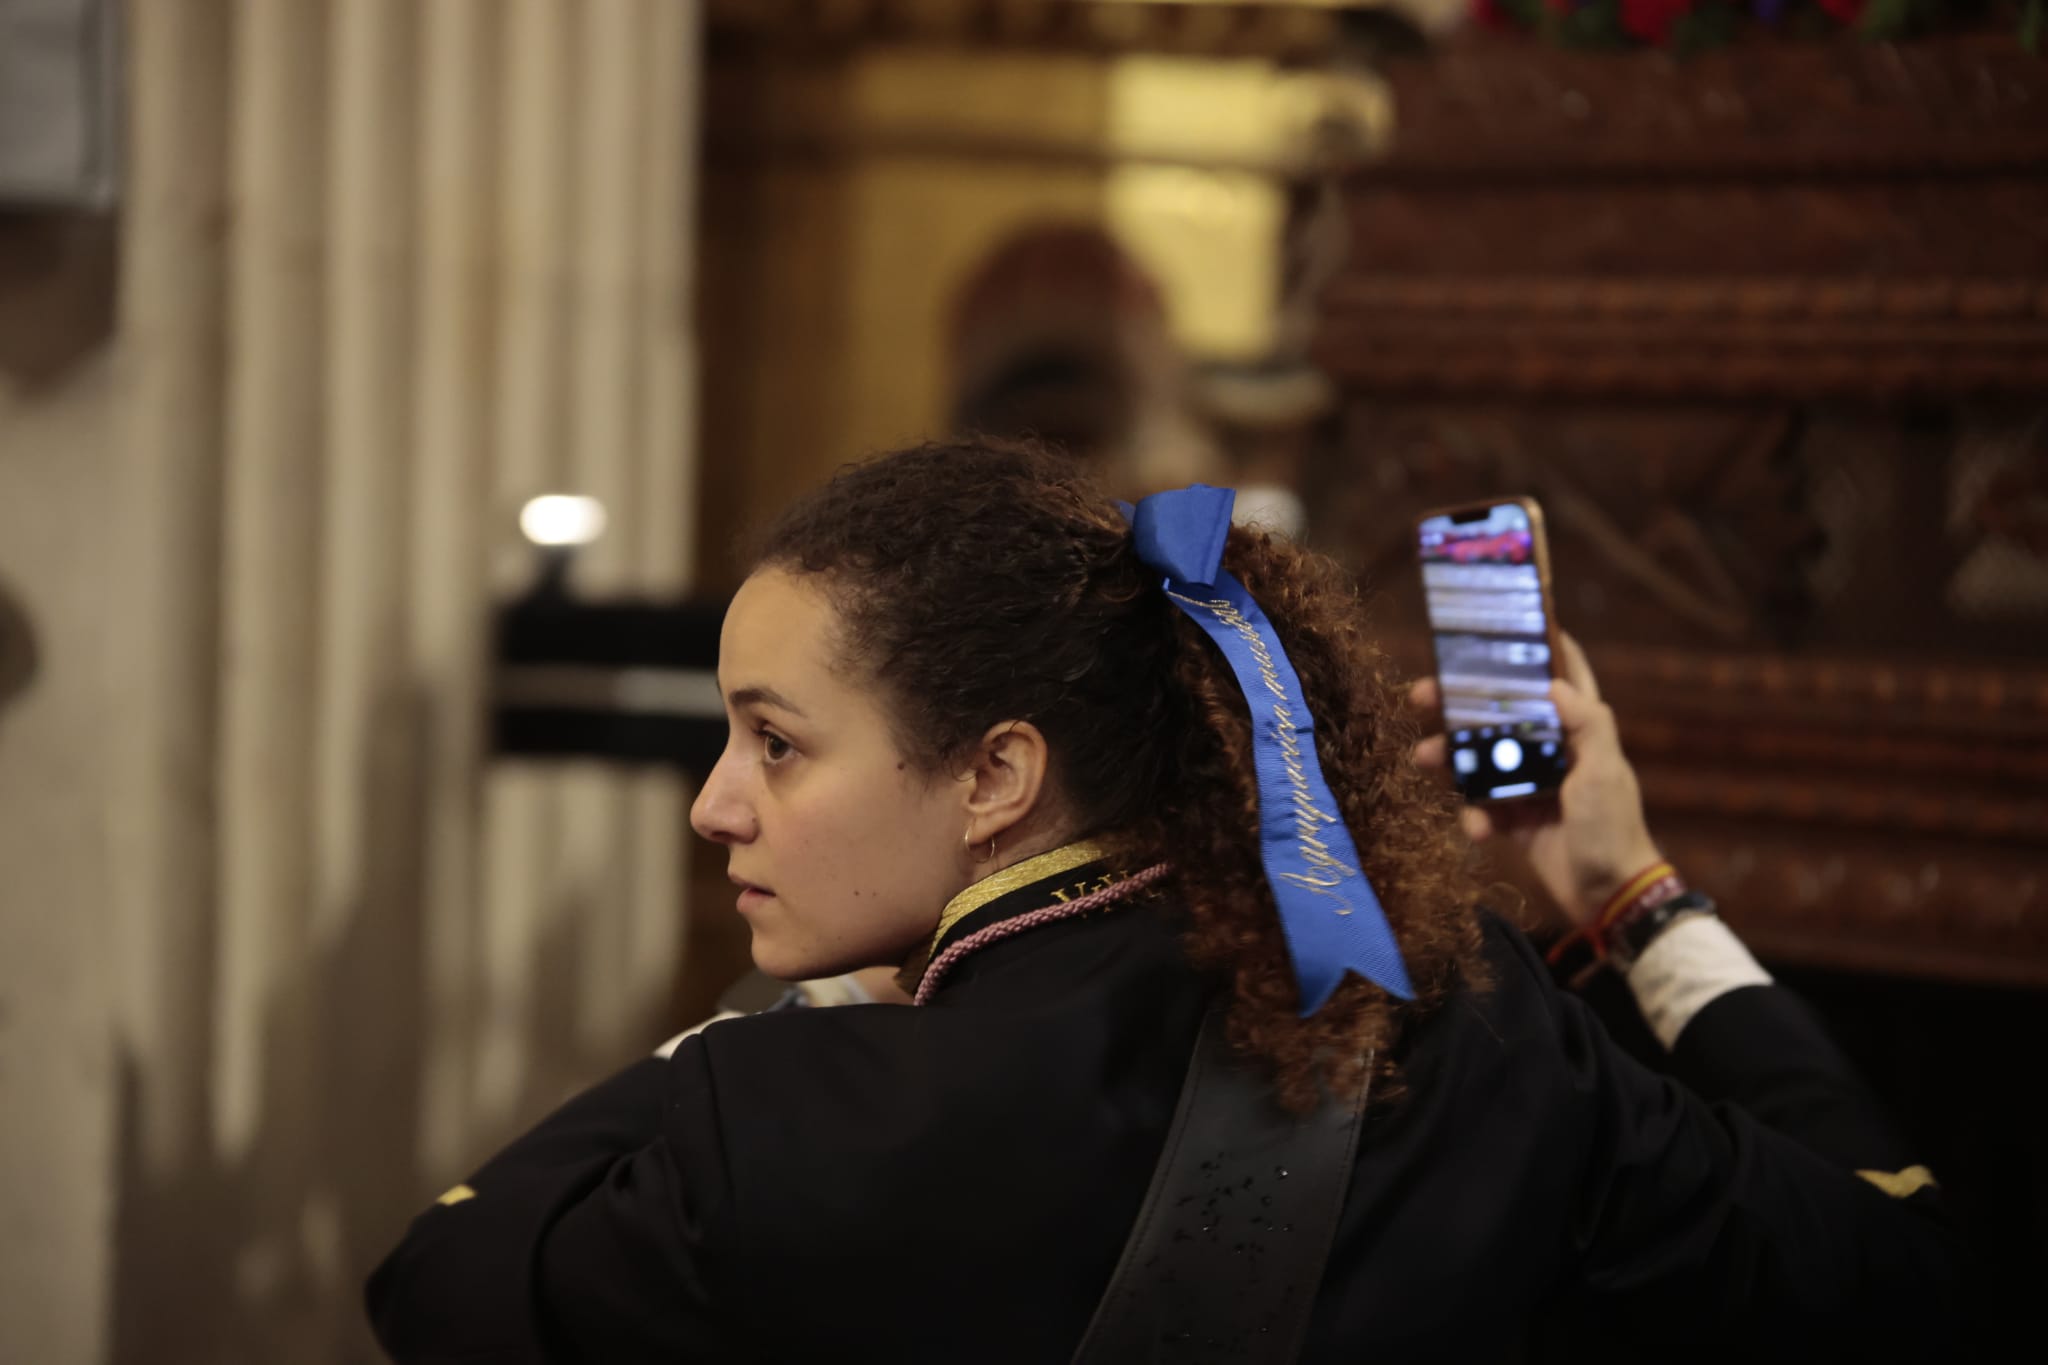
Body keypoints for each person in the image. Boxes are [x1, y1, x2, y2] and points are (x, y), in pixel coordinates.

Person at [366, 441, 1960, 1363]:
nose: (715, 801)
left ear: (996, 775)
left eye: (774, 741)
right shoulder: (1476, 1025)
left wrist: (820, 1002)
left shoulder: (770, 1116)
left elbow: (437, 1278)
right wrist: (1626, 890)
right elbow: (1896, 1262)